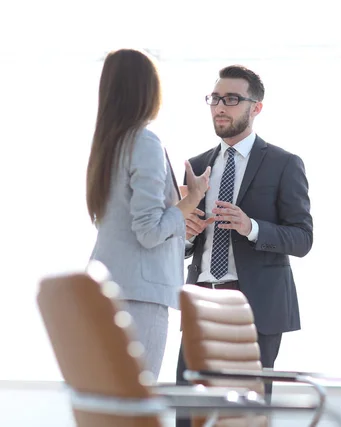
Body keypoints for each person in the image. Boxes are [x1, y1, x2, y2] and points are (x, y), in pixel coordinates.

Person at [175, 65, 313, 406]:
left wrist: (251, 227)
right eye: (215, 99)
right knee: (189, 409)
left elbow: (302, 238)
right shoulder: (195, 165)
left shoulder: (284, 163)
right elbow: (178, 244)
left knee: (246, 413)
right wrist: (187, 235)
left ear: (256, 107)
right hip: (201, 299)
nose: (221, 107)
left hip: (256, 306)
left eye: (232, 99)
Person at [86, 48, 211, 379]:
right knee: (137, 403)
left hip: (107, 290)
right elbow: (150, 231)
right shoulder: (145, 141)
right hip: (138, 297)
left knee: (111, 402)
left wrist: (174, 202)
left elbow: (127, 216)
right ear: (148, 89)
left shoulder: (109, 144)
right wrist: (191, 200)